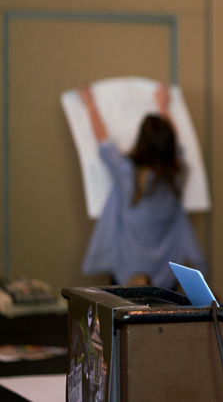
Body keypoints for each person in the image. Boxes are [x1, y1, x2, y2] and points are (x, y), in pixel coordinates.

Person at [79, 83, 207, 289]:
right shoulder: (177, 174)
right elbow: (178, 147)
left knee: (123, 318)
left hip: (128, 267)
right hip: (168, 267)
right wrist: (164, 106)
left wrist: (90, 104)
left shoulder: (127, 172)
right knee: (164, 318)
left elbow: (104, 143)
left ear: (141, 141)